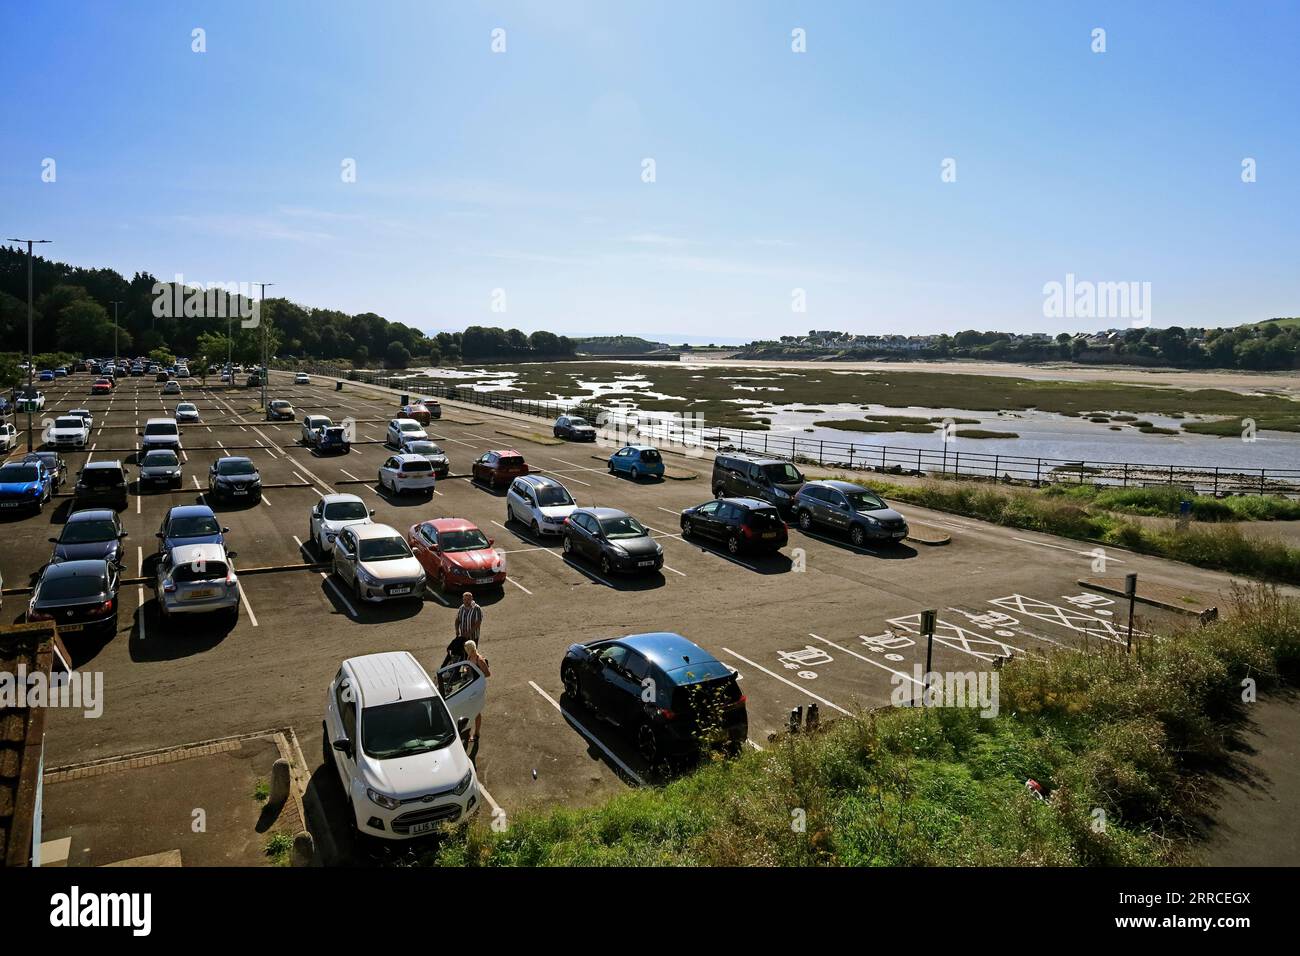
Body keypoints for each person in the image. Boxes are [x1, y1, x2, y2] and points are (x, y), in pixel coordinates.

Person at [462, 640, 491, 746]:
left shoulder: (480, 660)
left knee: (476, 711)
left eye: (467, 649)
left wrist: (476, 675)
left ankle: (476, 733)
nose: (466, 651)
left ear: (470, 649)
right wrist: (465, 671)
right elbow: (467, 668)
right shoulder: (469, 657)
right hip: (470, 687)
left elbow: (488, 674)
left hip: (477, 688)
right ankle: (469, 732)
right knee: (469, 710)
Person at [443, 591, 482, 666]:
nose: (466, 601)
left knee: (472, 654)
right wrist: (457, 630)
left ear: (472, 599)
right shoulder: (461, 608)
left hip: (473, 637)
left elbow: (478, 623)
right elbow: (457, 619)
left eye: (468, 599)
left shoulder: (477, 608)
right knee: (463, 653)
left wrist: (469, 633)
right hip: (463, 637)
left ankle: (474, 667)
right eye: (464, 599)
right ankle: (466, 667)